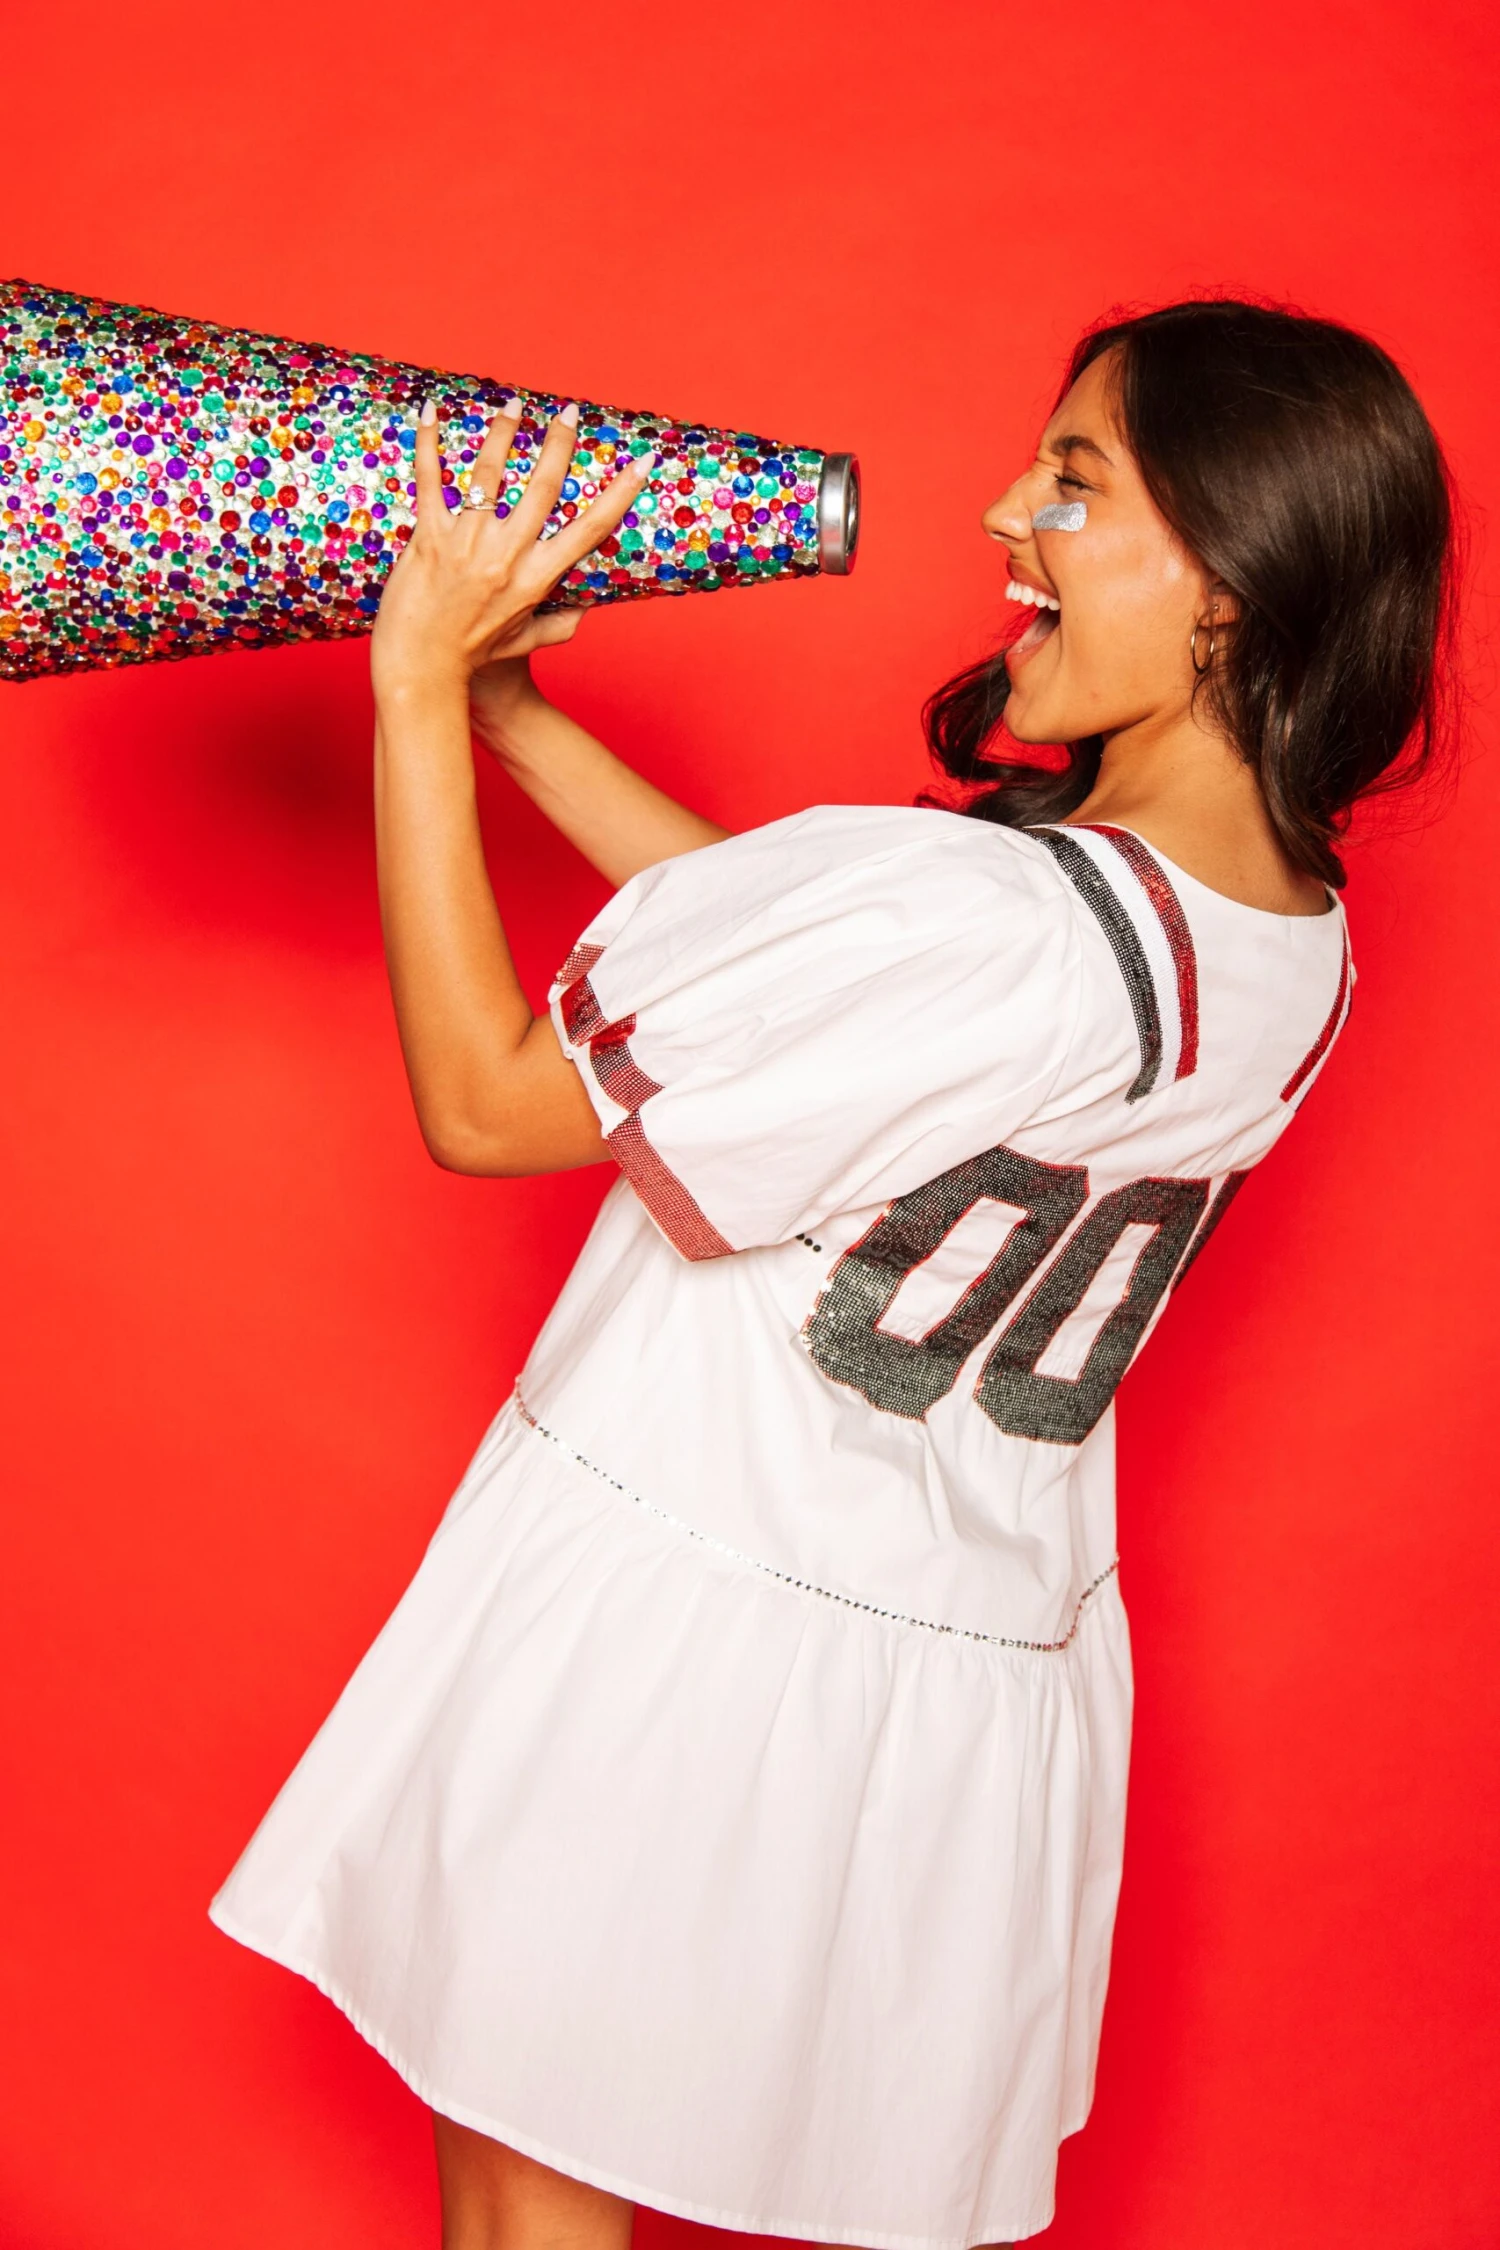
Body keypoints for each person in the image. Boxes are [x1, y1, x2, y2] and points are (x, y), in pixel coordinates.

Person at [209, 300, 1454, 2250]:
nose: (1001, 514)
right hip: (917, 1675)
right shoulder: (1291, 939)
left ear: (1225, 578)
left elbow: (484, 1100)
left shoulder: (990, 922)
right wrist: (520, 718)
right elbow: (814, 999)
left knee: (524, 2217)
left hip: (686, 1635)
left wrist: (409, 693)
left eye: (1073, 482)